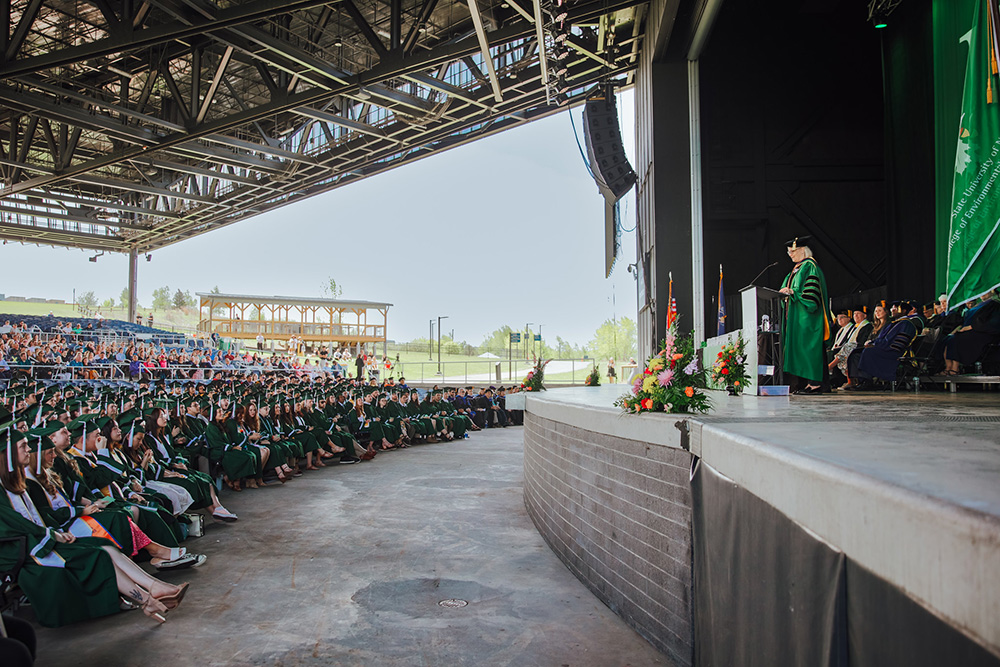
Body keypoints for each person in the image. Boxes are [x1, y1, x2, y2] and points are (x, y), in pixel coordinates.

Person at [0, 430, 190, 626]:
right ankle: (147, 600)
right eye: (23, 446)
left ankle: (155, 586)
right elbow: (16, 525)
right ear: (7, 454)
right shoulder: (4, 488)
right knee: (100, 554)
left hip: (45, 537)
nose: (29, 449)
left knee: (107, 546)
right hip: (30, 550)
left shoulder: (16, 483)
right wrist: (54, 534)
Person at [778, 236, 832, 394]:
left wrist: (793, 293)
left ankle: (816, 385)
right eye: (789, 252)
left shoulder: (810, 266)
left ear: (803, 250)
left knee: (810, 350)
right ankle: (806, 384)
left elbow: (811, 296)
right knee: (802, 350)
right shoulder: (797, 269)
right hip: (796, 317)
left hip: (808, 317)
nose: (790, 255)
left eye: (793, 251)